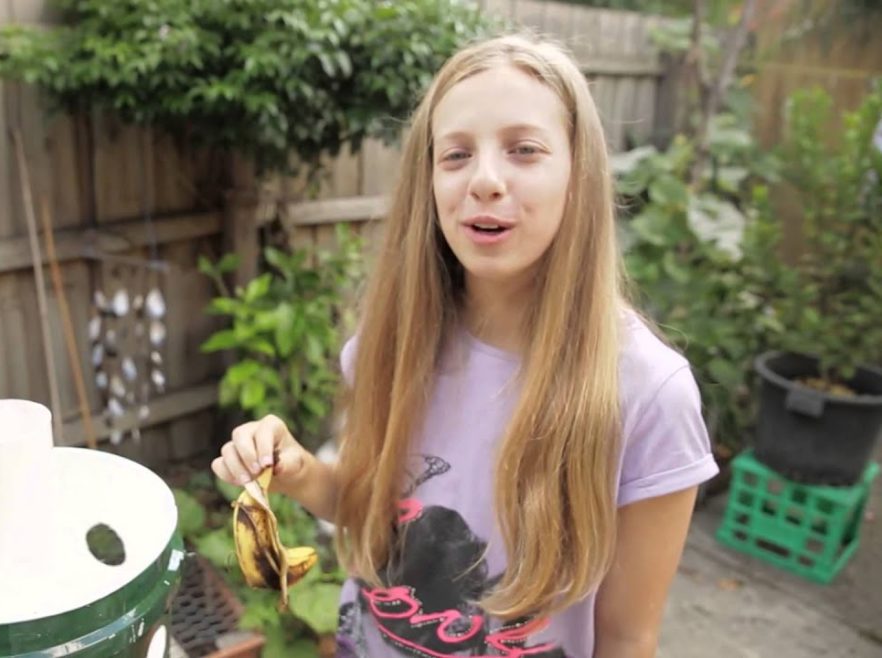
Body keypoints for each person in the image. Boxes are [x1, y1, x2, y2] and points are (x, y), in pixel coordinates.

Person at [212, 32, 717, 658]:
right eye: (455, 155)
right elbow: (373, 511)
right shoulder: (390, 343)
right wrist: (299, 471)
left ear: (577, 173)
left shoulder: (647, 393)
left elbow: (627, 637)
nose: (484, 180)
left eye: (524, 150)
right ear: (429, 182)